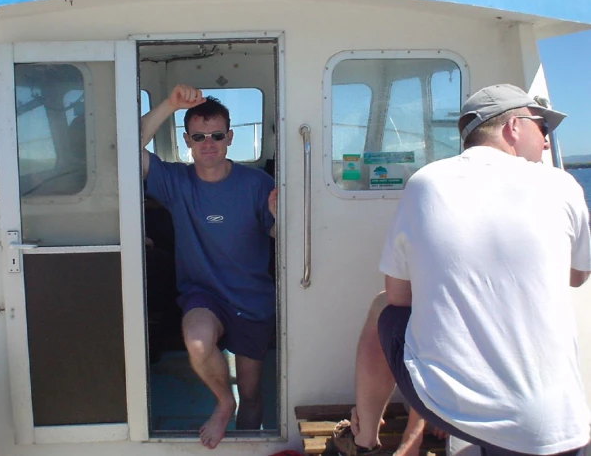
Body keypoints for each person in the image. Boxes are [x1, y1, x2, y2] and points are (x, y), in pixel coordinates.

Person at [333, 84, 591, 456]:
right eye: (543, 128)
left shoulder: (426, 182)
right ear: (513, 127)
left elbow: (397, 297)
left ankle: (364, 440)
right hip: (556, 425)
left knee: (382, 310)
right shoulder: (564, 185)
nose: (547, 142)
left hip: (453, 407)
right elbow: (577, 276)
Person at [141, 84, 277, 449]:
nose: (208, 144)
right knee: (198, 343)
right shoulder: (175, 181)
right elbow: (127, 147)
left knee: (252, 394)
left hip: (252, 300)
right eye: (199, 137)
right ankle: (222, 403)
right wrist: (170, 104)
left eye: (216, 135)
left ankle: (248, 444)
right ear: (187, 140)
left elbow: (280, 234)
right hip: (204, 295)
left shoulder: (258, 183)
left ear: (230, 137)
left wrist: (282, 218)